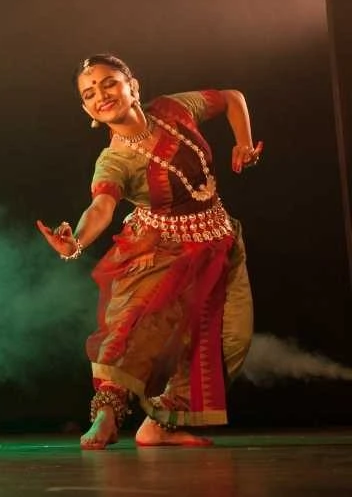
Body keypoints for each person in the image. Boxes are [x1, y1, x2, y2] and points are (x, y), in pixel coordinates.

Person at [37, 54, 261, 450]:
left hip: (219, 238)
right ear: (87, 110)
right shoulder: (114, 159)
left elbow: (231, 97)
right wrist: (77, 243)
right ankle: (106, 413)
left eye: (108, 83)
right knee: (135, 325)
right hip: (159, 248)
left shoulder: (174, 108)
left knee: (231, 338)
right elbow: (101, 206)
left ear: (132, 86)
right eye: (89, 94)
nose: (100, 95)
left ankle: (161, 425)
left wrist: (243, 142)